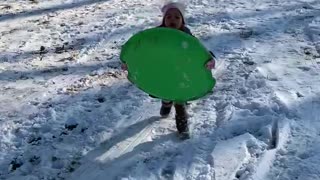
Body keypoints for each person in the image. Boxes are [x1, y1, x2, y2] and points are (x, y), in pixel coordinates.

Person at [121, 2, 216, 136]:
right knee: (166, 89)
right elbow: (144, 52)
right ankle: (166, 103)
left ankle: (182, 129)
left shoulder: (187, 38)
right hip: (164, 70)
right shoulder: (156, 36)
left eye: (177, 17)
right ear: (163, 20)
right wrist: (130, 62)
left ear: (182, 21)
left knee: (180, 100)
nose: (172, 20)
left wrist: (209, 60)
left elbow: (198, 53)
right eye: (169, 17)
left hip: (181, 73)